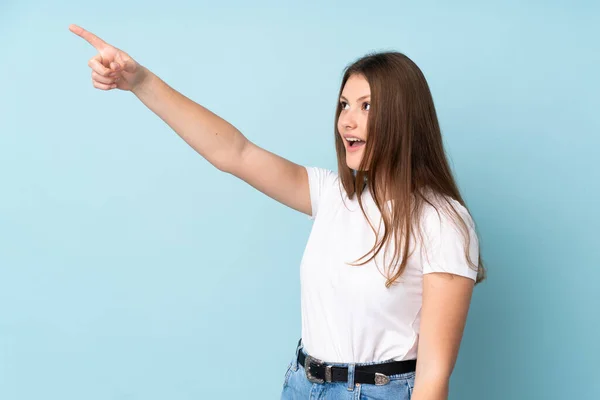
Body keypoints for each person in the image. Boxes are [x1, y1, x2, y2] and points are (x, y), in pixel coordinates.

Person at [69, 23, 487, 400]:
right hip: (302, 385)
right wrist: (138, 80)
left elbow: (433, 378)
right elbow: (233, 151)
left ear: (403, 117)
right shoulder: (332, 196)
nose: (347, 120)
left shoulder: (441, 221)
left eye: (367, 106)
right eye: (344, 104)